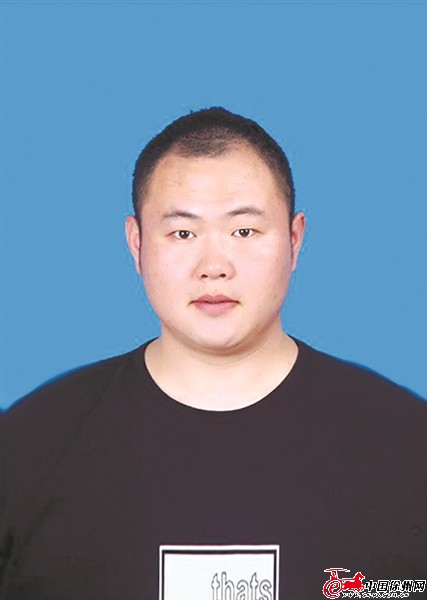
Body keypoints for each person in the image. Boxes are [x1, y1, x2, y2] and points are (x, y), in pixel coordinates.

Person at [0, 107, 426, 600]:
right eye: (183, 233)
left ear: (294, 239)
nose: (214, 266)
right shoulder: (26, 449)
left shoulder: (407, 445)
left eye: (244, 231)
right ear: (137, 244)